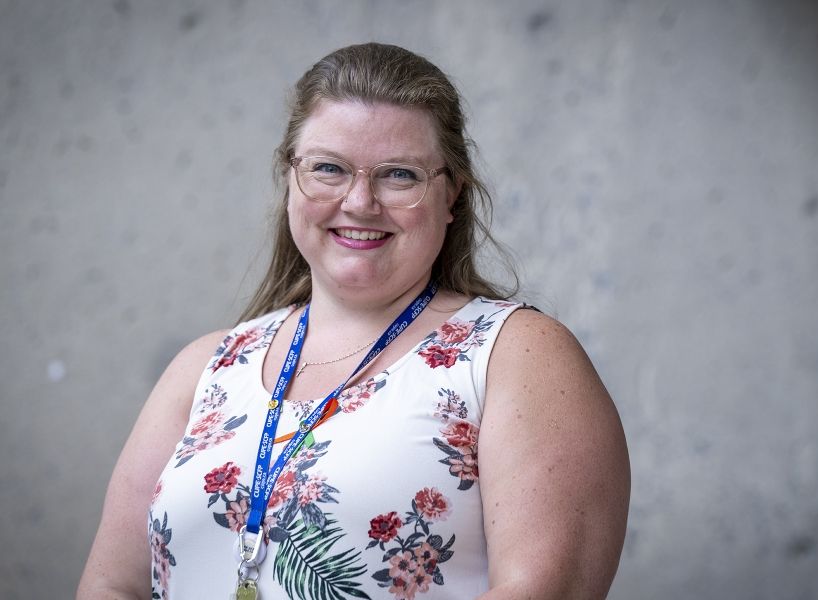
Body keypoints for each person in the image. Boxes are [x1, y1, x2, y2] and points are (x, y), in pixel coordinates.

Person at [78, 42, 630, 600]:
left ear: (451, 196)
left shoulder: (517, 355)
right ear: (290, 178)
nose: (361, 202)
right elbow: (109, 587)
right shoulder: (207, 366)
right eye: (328, 169)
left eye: (399, 175)